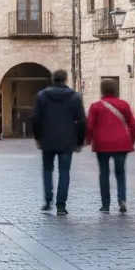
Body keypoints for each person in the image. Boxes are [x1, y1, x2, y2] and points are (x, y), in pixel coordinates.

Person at [31, 69, 86, 215]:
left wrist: (37, 136)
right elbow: (81, 121)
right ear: (65, 79)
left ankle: (48, 201)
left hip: (47, 139)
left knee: (47, 170)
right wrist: (79, 140)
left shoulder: (42, 96)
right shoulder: (74, 97)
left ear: (53, 79)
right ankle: (61, 205)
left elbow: (35, 118)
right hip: (67, 140)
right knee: (64, 172)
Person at [85, 78, 135, 213]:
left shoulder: (96, 106)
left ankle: (105, 204)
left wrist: (89, 140)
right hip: (121, 143)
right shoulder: (123, 104)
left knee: (104, 173)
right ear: (116, 89)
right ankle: (121, 199)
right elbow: (133, 124)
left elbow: (89, 125)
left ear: (102, 89)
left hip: (102, 144)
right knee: (120, 173)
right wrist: (131, 140)